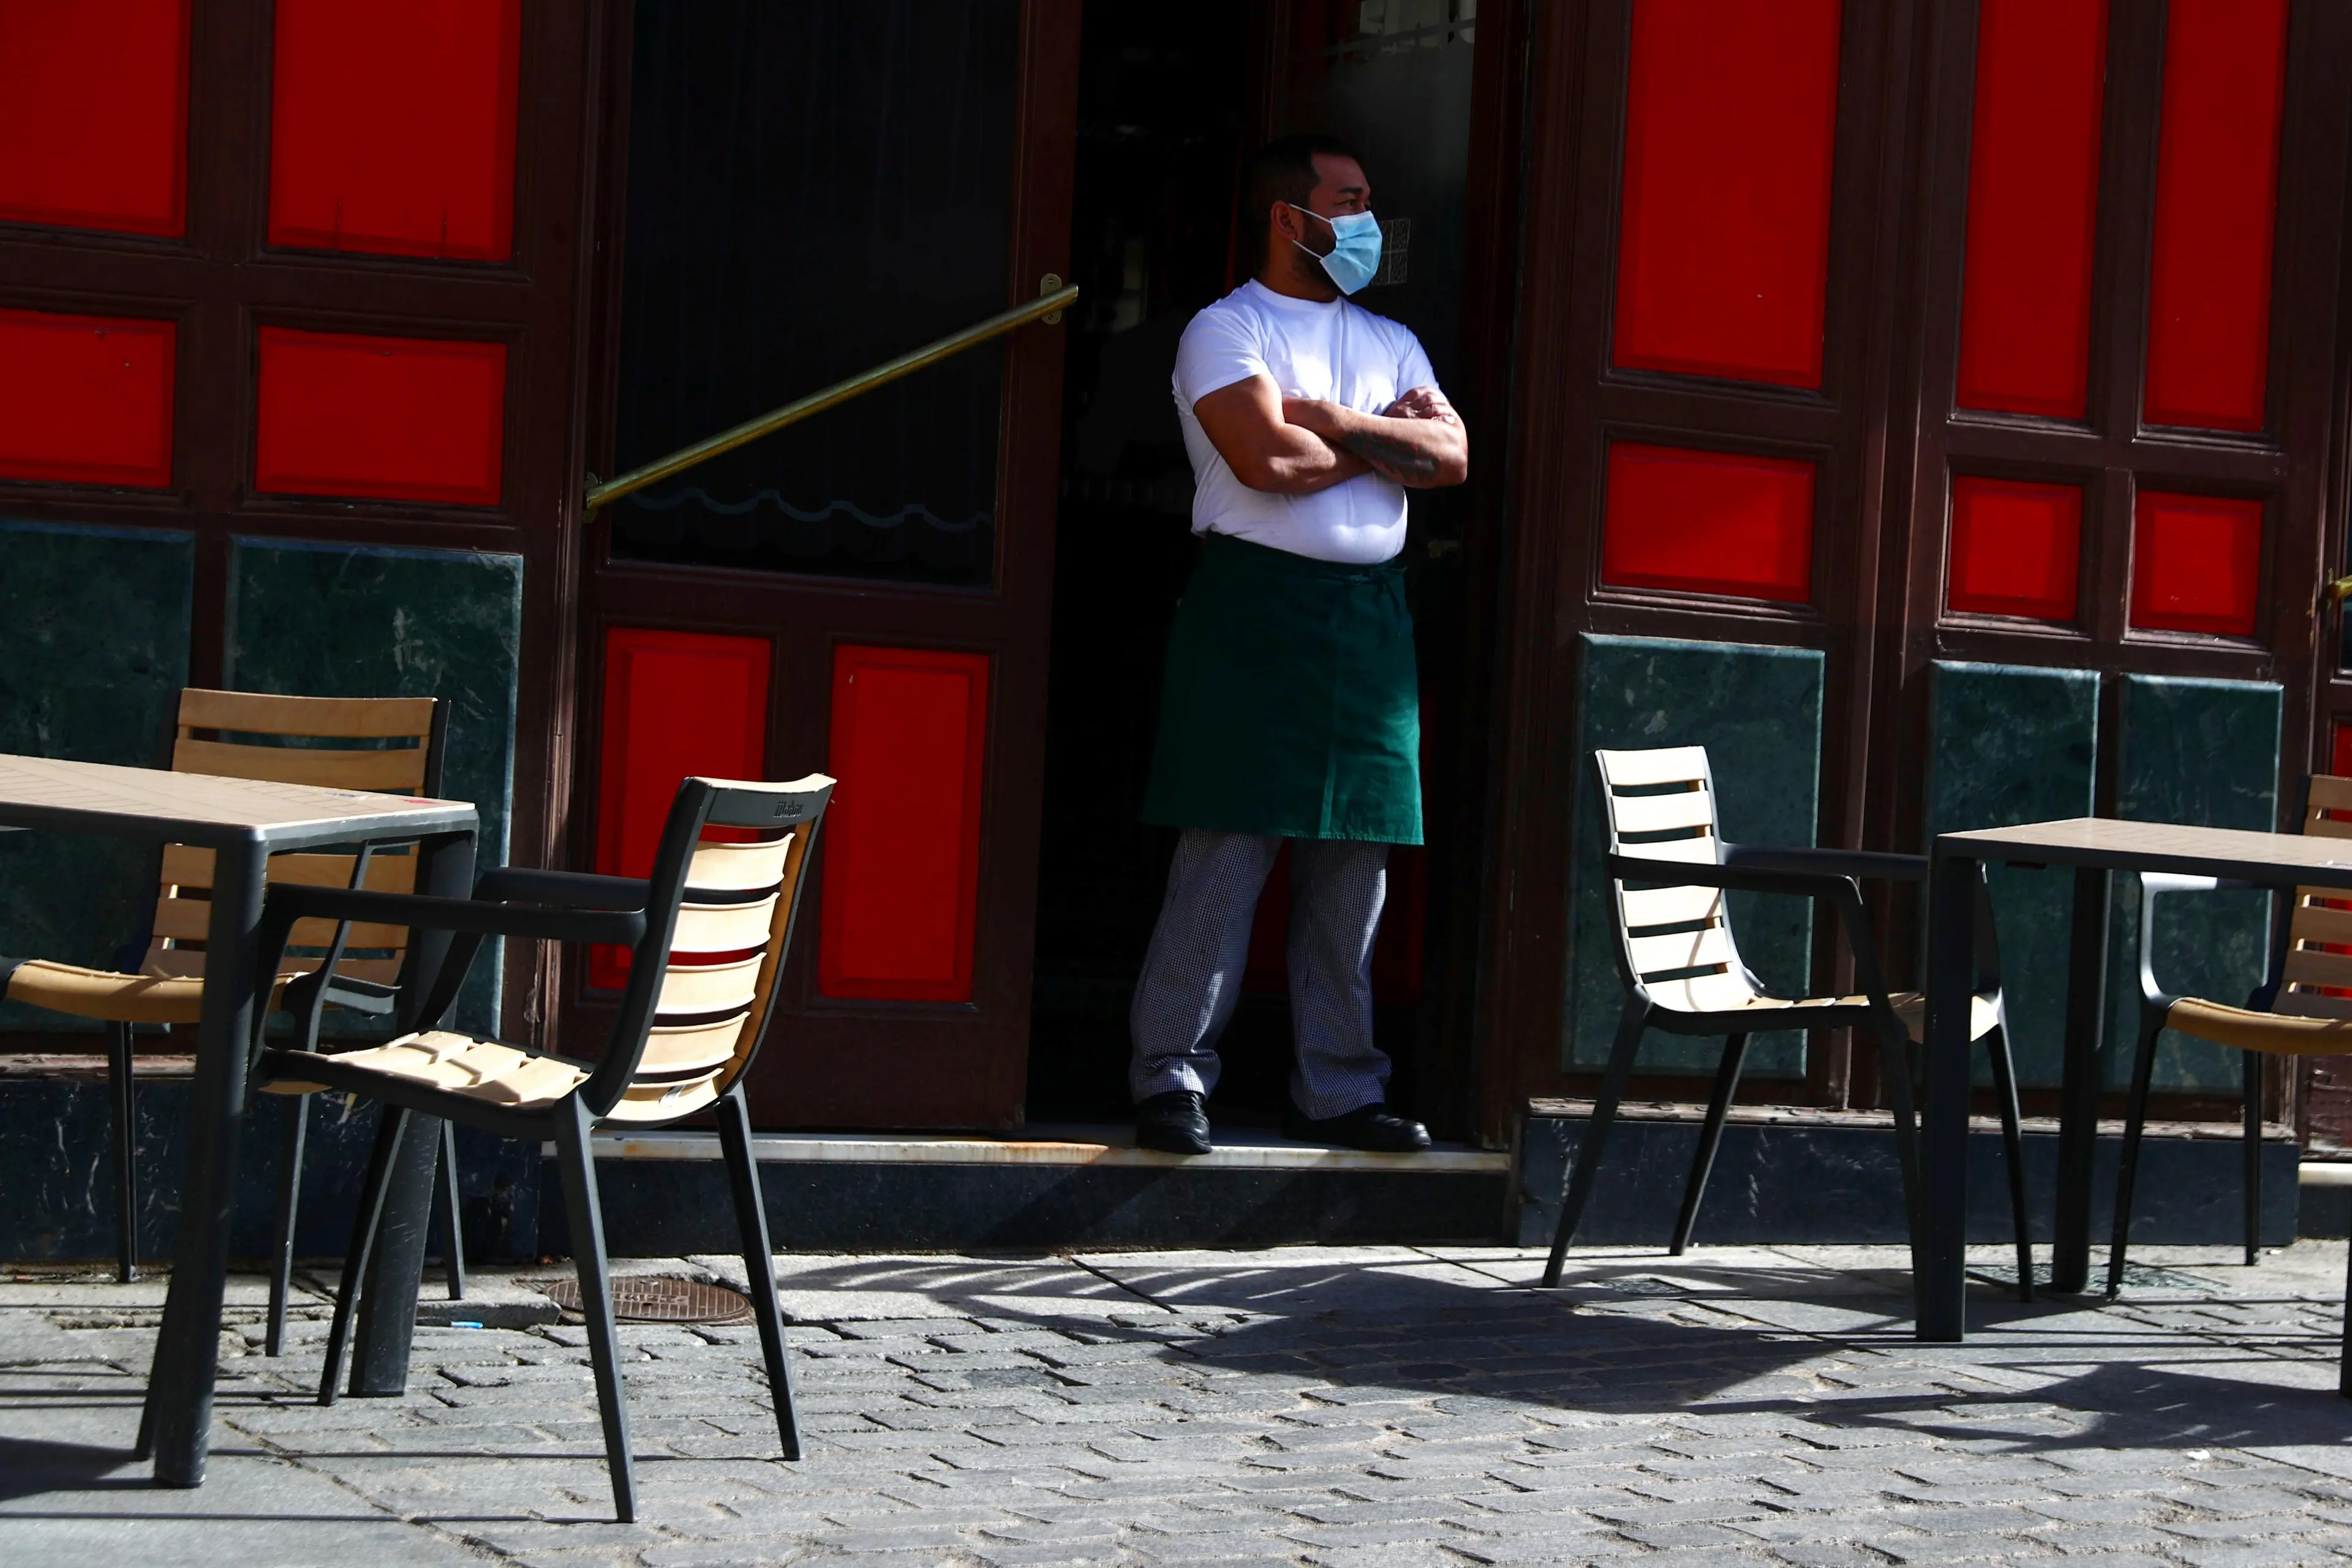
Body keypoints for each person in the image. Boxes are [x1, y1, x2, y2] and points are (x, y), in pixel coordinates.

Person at [1129, 133, 1469, 1156]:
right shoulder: (1223, 330)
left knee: (1353, 870)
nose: (1368, 222)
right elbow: (1268, 459)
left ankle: (1340, 1088)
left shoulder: (1393, 339)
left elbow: (1447, 457)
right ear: (1292, 216)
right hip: (1254, 613)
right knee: (1224, 856)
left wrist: (1329, 418)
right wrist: (1375, 439)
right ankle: (1171, 1078)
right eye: (1350, 201)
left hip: (1369, 626)